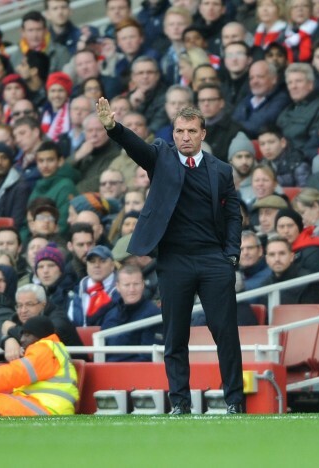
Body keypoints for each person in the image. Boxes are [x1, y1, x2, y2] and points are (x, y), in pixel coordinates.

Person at [96, 98, 244, 414]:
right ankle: (180, 403)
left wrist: (231, 255)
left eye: (191, 130)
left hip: (213, 260)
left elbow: (233, 215)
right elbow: (137, 148)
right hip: (175, 261)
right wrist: (114, 127)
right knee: (175, 337)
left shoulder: (221, 171)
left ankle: (234, 401)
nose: (184, 137)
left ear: (203, 133)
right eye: (179, 131)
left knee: (226, 335)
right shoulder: (162, 158)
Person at [0, 315, 79, 416]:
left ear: (40, 335)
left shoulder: (44, 348)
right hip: (47, 410)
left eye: (27, 334)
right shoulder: (54, 348)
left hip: (43, 411)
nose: (22, 339)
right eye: (22, 334)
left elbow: (13, 373)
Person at [101, 265, 163, 362]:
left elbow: (148, 357)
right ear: (117, 287)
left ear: (143, 285)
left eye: (136, 284)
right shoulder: (110, 314)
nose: (132, 289)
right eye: (127, 285)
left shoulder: (154, 315)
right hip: (106, 371)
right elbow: (100, 352)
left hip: (137, 373)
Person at [259, 236, 319, 306]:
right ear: (267, 259)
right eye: (272, 255)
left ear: (292, 257)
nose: (277, 259)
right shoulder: (264, 286)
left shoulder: (309, 282)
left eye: (282, 253)